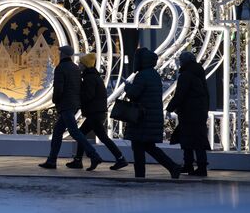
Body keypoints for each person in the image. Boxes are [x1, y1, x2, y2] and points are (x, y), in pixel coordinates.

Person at [39, 46, 103, 171]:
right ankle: (51, 160)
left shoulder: (61, 68)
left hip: (65, 104)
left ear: (63, 54)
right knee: (57, 132)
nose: (59, 53)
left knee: (74, 131)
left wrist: (55, 100)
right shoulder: (75, 68)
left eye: (60, 52)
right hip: (73, 104)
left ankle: (94, 155)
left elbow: (59, 88)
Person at [125, 47, 181, 179]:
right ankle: (172, 167)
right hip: (150, 117)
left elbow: (134, 94)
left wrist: (128, 87)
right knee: (149, 147)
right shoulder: (153, 74)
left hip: (142, 118)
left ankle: (140, 175)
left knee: (139, 147)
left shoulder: (142, 75)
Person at [65, 53, 127, 170]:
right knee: (83, 134)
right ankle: (78, 160)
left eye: (80, 63)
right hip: (97, 112)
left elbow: (88, 95)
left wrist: (78, 96)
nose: (79, 65)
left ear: (85, 65)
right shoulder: (93, 76)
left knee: (94, 136)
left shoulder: (89, 78)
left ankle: (120, 158)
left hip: (94, 113)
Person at [166, 51, 211, 176]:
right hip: (199, 112)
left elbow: (180, 94)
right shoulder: (198, 73)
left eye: (180, 60)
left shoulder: (186, 75)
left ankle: (194, 166)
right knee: (196, 139)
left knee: (189, 140)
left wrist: (170, 107)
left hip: (189, 113)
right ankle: (195, 165)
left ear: (183, 61)